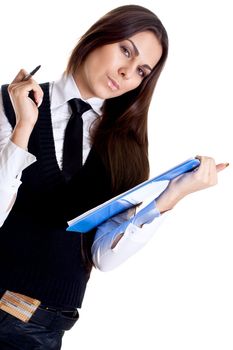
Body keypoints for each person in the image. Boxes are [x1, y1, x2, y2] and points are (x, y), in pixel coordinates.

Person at [0, 4, 228, 350]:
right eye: (125, 50)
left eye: (141, 70)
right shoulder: (9, 105)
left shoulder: (124, 149)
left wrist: (170, 198)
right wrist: (23, 129)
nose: (126, 73)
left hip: (42, 330)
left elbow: (102, 257)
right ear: (96, 37)